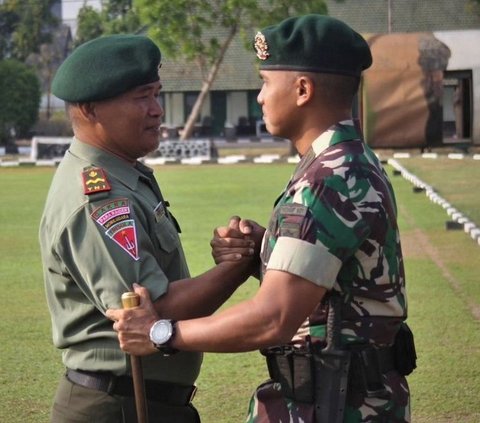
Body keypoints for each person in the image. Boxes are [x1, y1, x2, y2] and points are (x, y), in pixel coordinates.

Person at [107, 15, 416, 423]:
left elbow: (272, 318)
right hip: (342, 398)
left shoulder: (328, 179)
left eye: (267, 82)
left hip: (336, 405)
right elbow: (335, 286)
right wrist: (263, 252)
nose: (260, 97)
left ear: (303, 90)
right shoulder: (342, 162)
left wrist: (159, 332)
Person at [39, 34, 256, 423]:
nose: (157, 110)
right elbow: (156, 310)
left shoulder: (123, 177)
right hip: (121, 406)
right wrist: (236, 267)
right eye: (142, 98)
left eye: (157, 95)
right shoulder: (99, 198)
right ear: (90, 109)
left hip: (141, 401)